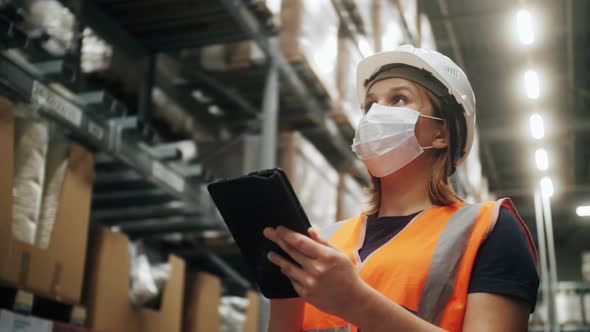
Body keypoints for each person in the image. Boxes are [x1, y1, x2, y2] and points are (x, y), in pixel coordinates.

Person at [263, 45, 540, 332]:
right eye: (370, 106)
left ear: (441, 133)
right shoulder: (322, 241)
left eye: (398, 99)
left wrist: (357, 302)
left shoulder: (487, 229)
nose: (376, 115)